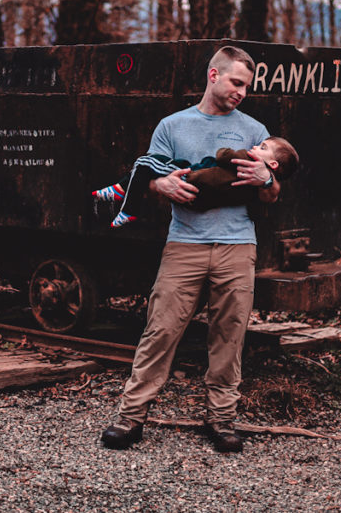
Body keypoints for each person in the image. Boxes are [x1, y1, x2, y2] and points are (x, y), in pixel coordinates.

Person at [100, 45, 282, 453]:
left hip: (238, 245)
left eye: (247, 86)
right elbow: (147, 174)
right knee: (160, 329)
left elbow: (274, 194)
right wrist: (159, 185)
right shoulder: (172, 125)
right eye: (237, 82)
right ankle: (131, 419)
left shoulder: (254, 130)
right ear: (213, 76)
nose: (242, 92)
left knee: (229, 335)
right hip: (184, 244)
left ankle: (221, 420)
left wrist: (266, 181)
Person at [92, 136, 298, 227]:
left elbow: (222, 155)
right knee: (151, 168)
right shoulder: (250, 187)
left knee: (144, 162)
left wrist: (248, 157)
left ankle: (128, 207)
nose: (255, 147)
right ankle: (120, 189)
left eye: (262, 147)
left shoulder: (246, 161)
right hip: (198, 188)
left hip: (190, 176)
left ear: (272, 165)